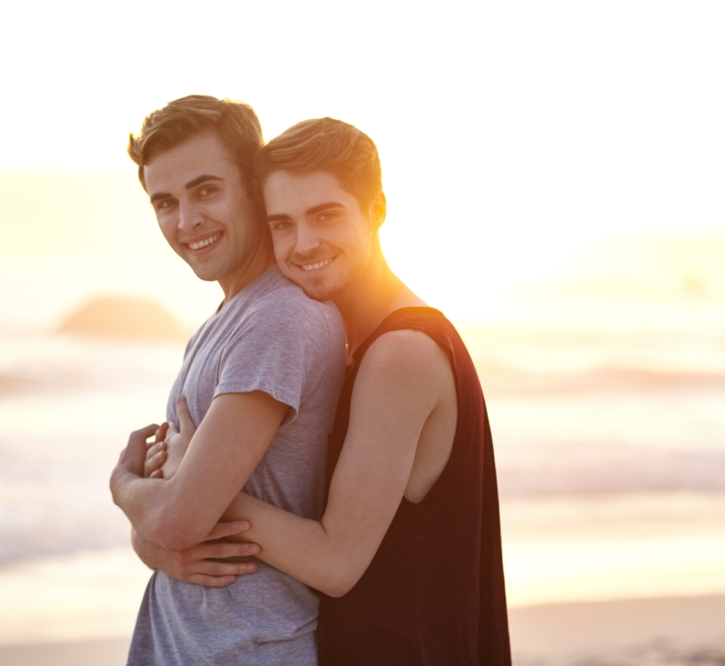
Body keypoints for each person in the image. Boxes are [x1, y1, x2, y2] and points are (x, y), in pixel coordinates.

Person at [144, 118, 512, 664]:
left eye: (325, 215)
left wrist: (191, 481)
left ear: (376, 210)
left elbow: (337, 564)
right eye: (282, 223)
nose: (303, 244)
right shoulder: (351, 338)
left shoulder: (400, 353)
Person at [109, 96, 346, 665]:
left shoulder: (279, 319)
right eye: (166, 202)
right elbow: (171, 520)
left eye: (206, 190)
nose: (186, 221)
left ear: (255, 189)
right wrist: (153, 540)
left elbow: (179, 518)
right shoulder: (228, 320)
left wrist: (120, 485)